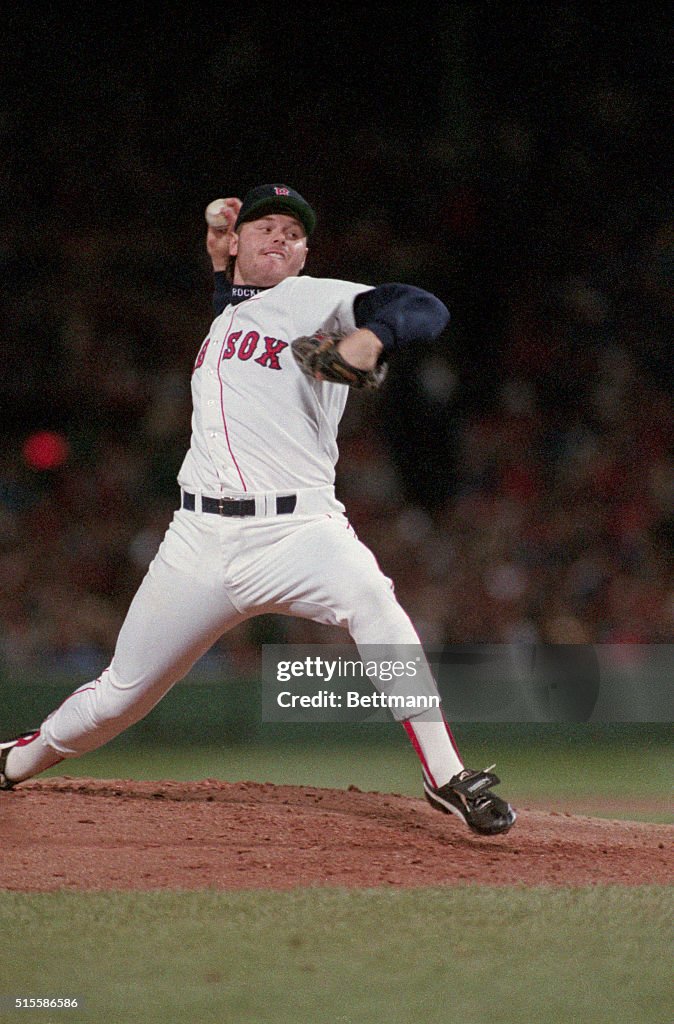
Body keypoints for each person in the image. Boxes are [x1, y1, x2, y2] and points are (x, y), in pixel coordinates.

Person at [0, 184, 515, 836]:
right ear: (240, 242)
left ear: (306, 255)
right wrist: (220, 261)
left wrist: (372, 336)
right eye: (266, 225)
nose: (281, 236)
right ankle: (17, 763)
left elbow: (425, 307)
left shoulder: (316, 300)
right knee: (119, 698)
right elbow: (240, 307)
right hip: (199, 538)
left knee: (375, 602)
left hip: (300, 530)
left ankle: (446, 776)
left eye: (294, 233)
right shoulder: (226, 317)